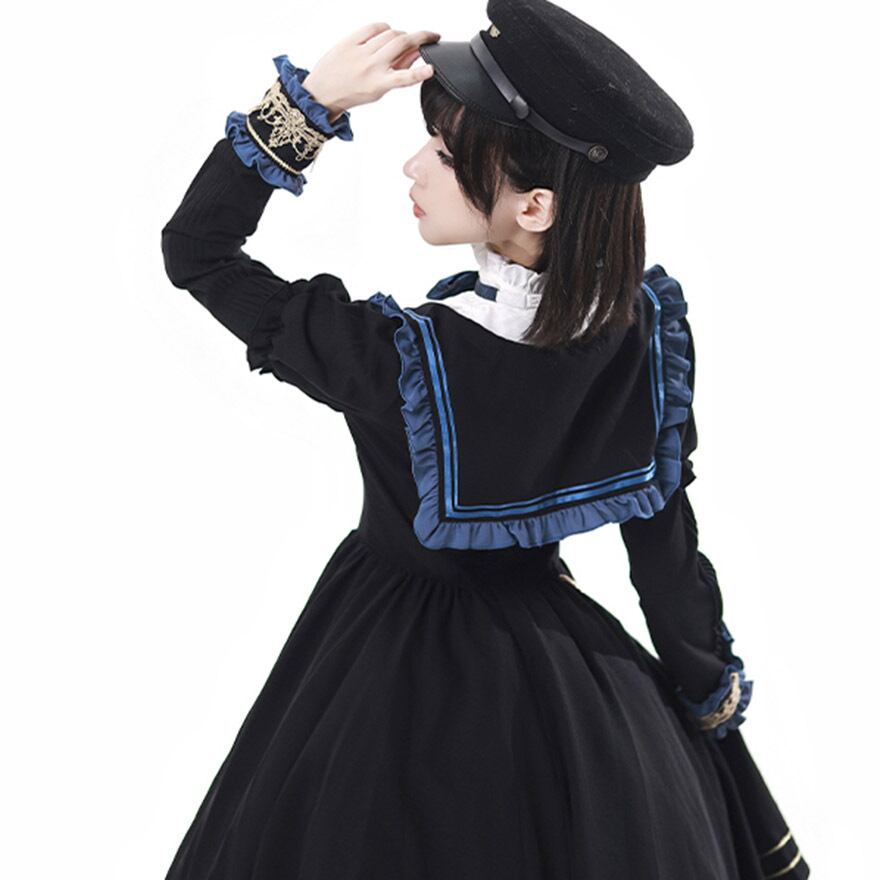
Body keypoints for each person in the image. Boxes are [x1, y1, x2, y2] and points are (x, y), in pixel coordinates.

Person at [160, 4, 809, 878]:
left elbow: (198, 250)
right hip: (571, 686)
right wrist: (704, 698)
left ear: (535, 204)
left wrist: (311, 102)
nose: (413, 163)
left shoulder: (396, 362)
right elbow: (665, 559)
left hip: (381, 673)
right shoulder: (643, 338)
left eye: (445, 153)